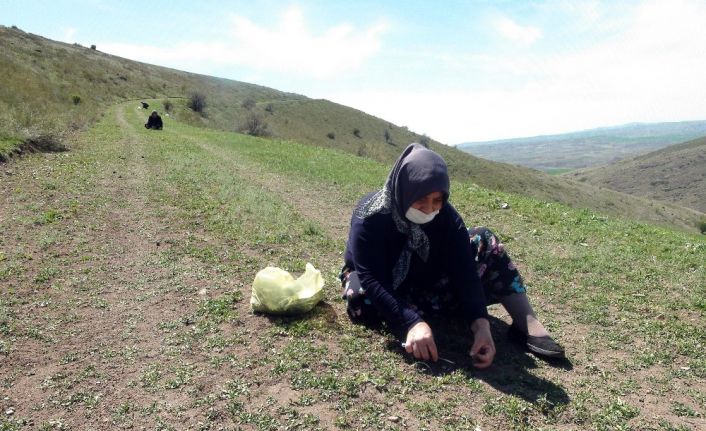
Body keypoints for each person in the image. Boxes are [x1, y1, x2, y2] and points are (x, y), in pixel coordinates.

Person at [341, 143, 564, 368]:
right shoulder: (369, 216)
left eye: (437, 201)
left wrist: (481, 325)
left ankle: (525, 324)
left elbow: (465, 269)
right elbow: (371, 277)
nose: (429, 209)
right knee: (361, 299)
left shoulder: (446, 217)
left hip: (429, 279)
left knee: (483, 239)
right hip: (384, 281)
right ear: (404, 190)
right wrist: (411, 322)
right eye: (421, 200)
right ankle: (417, 317)